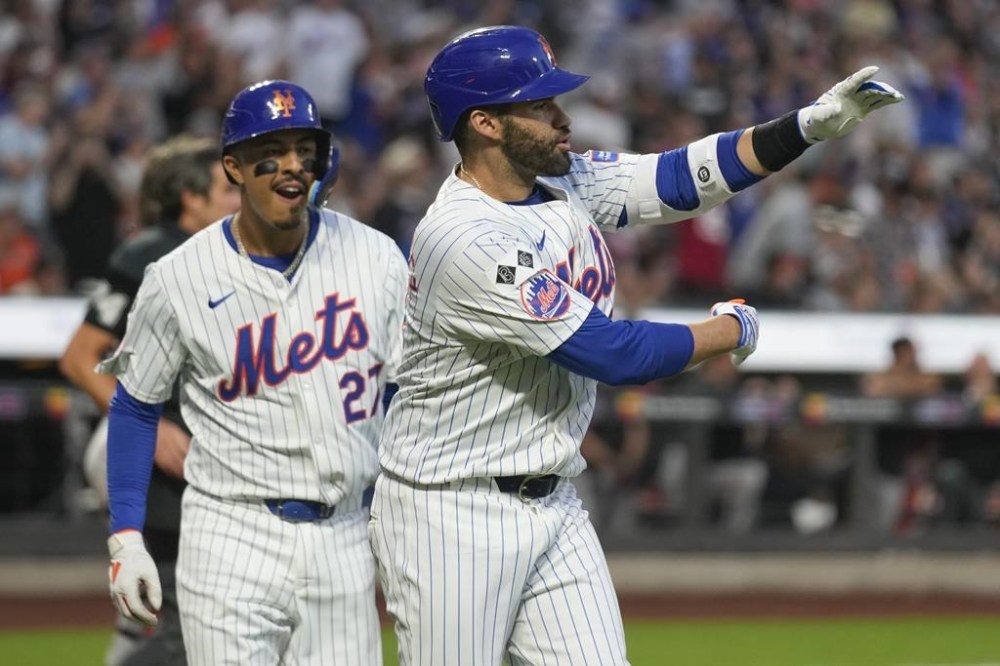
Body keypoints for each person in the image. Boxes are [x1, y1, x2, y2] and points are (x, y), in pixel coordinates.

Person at [371, 25, 903, 666]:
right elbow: (613, 353)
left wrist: (808, 126)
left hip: (554, 501)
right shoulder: (462, 237)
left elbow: (682, 178)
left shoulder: (563, 183)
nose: (562, 117)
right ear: (484, 123)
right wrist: (727, 331)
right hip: (447, 514)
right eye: (540, 106)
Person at [98, 80, 408, 666]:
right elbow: (136, 405)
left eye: (304, 149)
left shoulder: (376, 257)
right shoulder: (177, 277)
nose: (292, 165)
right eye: (273, 149)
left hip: (344, 534)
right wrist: (126, 534)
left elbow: (401, 393)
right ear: (233, 167)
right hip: (231, 532)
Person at [59, 134, 239, 666]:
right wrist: (152, 423)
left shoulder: (230, 251)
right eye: (226, 188)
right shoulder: (150, 253)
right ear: (191, 197)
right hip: (143, 444)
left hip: (192, 448)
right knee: (184, 623)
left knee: (162, 618)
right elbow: (78, 357)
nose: (239, 197)